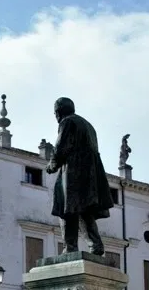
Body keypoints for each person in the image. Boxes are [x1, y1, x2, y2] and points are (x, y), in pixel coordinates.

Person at [44, 97, 113, 255]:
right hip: (91, 176)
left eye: (55, 113)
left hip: (73, 172)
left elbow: (61, 146)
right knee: (84, 211)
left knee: (66, 209)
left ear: (58, 112)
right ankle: (95, 245)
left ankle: (70, 247)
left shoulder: (67, 122)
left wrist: (52, 165)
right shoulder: (89, 126)